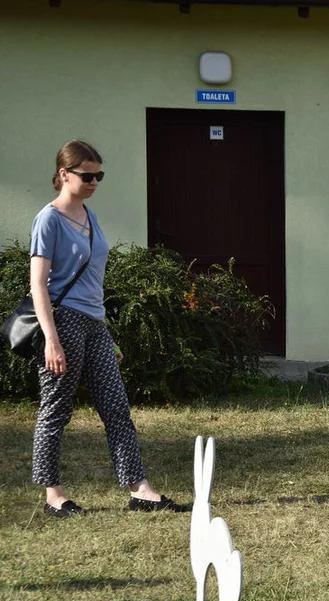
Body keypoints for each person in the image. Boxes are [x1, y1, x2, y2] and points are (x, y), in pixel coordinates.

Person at [29, 139, 187, 517]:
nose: (94, 181)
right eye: (87, 175)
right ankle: (54, 496)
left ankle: (140, 490)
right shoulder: (48, 219)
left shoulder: (89, 216)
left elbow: (92, 281)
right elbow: (38, 284)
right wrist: (52, 340)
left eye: (99, 175)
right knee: (56, 409)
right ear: (64, 174)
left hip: (93, 324)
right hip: (62, 321)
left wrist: (105, 333)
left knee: (116, 407)